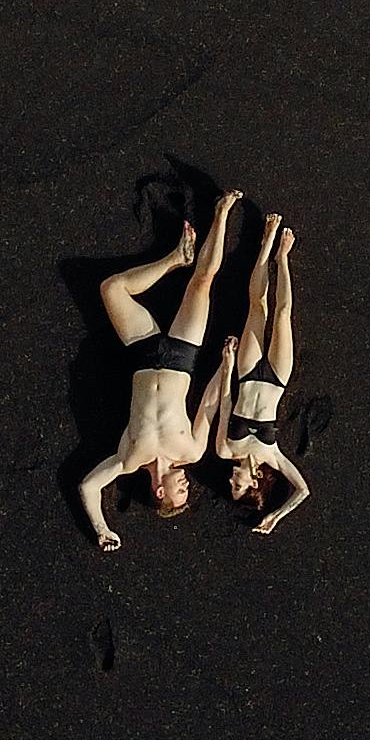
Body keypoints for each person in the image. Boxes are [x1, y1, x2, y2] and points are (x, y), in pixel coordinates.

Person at [78, 189, 241, 552]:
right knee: (202, 283)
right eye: (187, 493)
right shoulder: (192, 451)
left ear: (159, 491)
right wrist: (226, 366)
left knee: (112, 288)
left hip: (142, 354)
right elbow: (211, 405)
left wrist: (103, 529)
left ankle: (172, 259)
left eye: (179, 494)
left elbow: (89, 487)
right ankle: (221, 213)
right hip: (182, 359)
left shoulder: (128, 459)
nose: (187, 487)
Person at [217, 219, 311, 533]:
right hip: (276, 378)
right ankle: (282, 257)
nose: (231, 479)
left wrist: (228, 367)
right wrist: (275, 516)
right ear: (255, 483)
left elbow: (225, 406)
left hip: (245, 373)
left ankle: (265, 246)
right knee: (283, 314)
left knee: (256, 309)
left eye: (231, 484)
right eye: (237, 485)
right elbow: (303, 491)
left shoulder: (226, 449)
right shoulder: (272, 456)